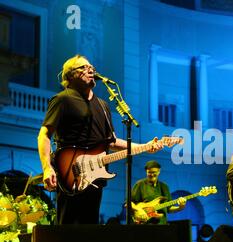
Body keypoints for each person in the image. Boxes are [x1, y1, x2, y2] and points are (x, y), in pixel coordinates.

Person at [38, 54, 164, 224]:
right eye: (83, 67)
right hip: (70, 172)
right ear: (70, 76)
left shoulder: (103, 106)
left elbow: (111, 142)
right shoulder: (63, 99)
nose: (90, 69)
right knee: (68, 228)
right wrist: (47, 168)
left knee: (90, 229)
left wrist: (145, 146)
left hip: (95, 175)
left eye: (91, 67)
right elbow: (44, 134)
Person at [130, 160, 186, 225]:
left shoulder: (164, 187)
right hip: (144, 225)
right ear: (146, 172)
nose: (152, 174)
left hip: (161, 225)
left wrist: (181, 207)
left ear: (159, 171)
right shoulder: (140, 184)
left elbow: (169, 209)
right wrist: (139, 210)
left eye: (154, 172)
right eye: (149, 172)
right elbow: (128, 203)